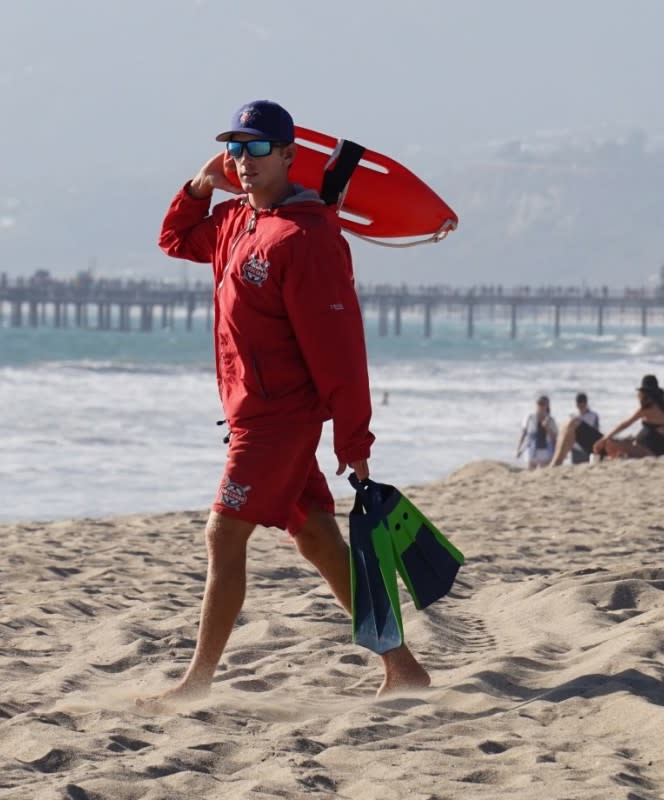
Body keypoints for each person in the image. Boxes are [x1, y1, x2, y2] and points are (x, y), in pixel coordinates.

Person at [149, 99, 430, 705]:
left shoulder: (308, 238)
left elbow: (341, 352)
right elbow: (174, 239)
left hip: (279, 420)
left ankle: (196, 683)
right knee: (317, 538)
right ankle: (403, 667)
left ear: (288, 157)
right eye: (233, 149)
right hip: (253, 413)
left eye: (256, 149)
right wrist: (199, 185)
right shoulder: (234, 223)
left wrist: (354, 441)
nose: (241, 161)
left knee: (224, 534)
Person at [593, 374, 664, 459]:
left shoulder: (647, 409)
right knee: (628, 440)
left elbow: (625, 424)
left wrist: (603, 439)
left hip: (651, 451)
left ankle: (617, 459)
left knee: (609, 443)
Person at [549, 392, 601, 467]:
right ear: (576, 404)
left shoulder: (593, 415)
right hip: (575, 449)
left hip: (587, 447)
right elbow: (566, 434)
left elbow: (596, 432)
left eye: (583, 403)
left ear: (586, 403)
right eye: (579, 403)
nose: (581, 405)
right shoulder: (572, 415)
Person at [516, 395, 558, 469]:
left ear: (547, 406)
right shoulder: (529, 417)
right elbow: (523, 434)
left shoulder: (551, 420)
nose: (540, 406)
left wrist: (547, 428)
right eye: (539, 403)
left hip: (546, 451)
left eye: (543, 404)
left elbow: (554, 438)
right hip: (531, 449)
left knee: (544, 474)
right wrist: (518, 449)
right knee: (530, 472)